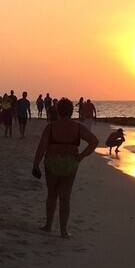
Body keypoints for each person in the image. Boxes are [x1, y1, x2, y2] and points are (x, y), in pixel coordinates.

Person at [32, 98, 99, 239]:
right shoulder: (78, 127)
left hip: (52, 162)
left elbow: (42, 147)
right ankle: (63, 231)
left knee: (52, 194)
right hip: (70, 163)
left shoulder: (50, 127)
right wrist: (81, 156)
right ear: (72, 111)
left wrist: (35, 164)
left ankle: (48, 226)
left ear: (57, 110)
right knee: (65, 197)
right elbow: (94, 141)